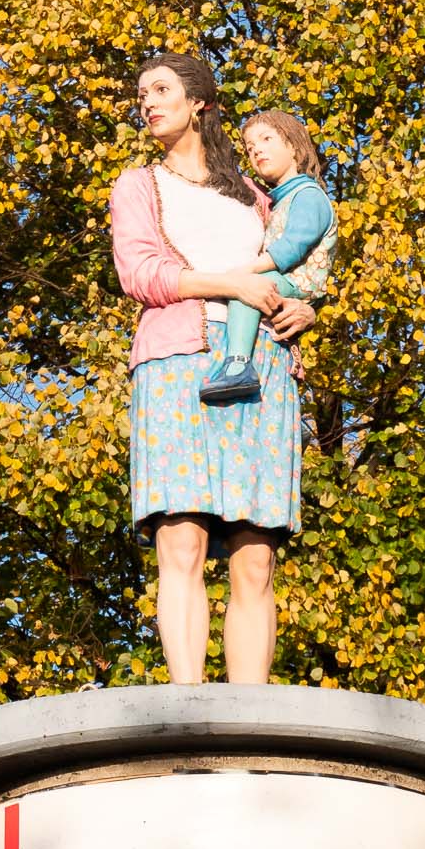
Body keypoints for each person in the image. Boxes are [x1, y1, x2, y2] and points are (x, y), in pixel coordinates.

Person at [109, 54, 316, 684]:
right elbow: (140, 274)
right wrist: (229, 284)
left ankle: (249, 714)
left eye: (161, 89)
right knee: (182, 541)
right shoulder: (137, 185)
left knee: (256, 556)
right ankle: (188, 706)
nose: (148, 102)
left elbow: (299, 265)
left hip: (265, 368)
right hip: (176, 365)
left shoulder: (258, 196)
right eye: (142, 94)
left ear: (199, 102)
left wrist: (304, 306)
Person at [201, 110, 337, 405]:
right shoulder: (280, 199)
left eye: (266, 139)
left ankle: (238, 365)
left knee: (250, 288)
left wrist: (247, 271)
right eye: (250, 148)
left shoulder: (308, 195)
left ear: (293, 146)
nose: (257, 150)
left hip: (297, 281)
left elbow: (291, 247)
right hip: (286, 278)